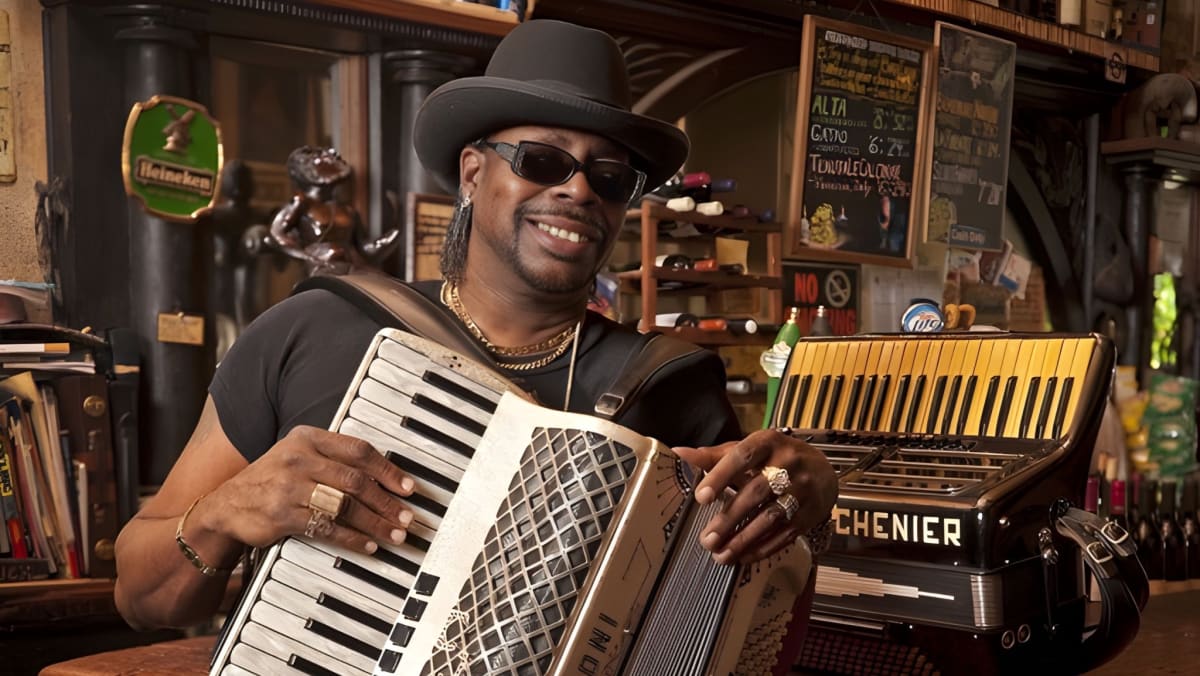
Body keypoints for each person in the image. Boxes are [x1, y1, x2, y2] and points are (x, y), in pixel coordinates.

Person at [113, 19, 837, 640]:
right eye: (543, 160)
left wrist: (805, 512)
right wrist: (225, 513)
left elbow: (736, 615)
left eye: (610, 177)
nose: (578, 189)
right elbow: (142, 597)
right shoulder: (310, 328)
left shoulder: (671, 384)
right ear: (470, 173)